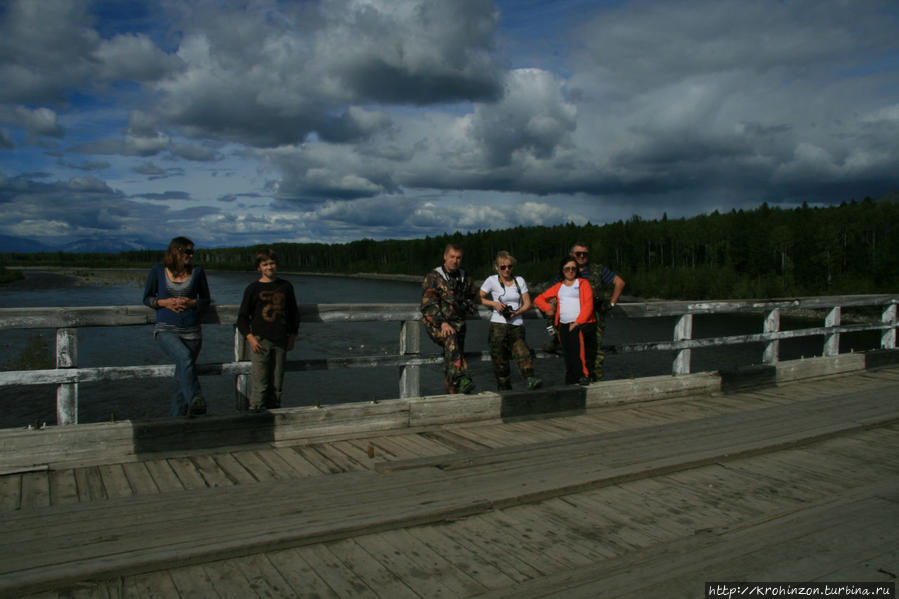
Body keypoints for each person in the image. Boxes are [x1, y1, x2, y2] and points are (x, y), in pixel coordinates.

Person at [143, 236, 211, 417]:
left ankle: (178, 422)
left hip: (192, 332)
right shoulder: (158, 271)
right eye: (187, 251)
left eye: (192, 252)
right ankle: (196, 398)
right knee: (185, 358)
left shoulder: (197, 271)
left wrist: (191, 303)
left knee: (180, 380)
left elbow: (205, 300)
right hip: (166, 329)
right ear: (176, 251)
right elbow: (147, 298)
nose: (191, 255)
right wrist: (163, 302)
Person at [540, 241, 626, 380]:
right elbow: (551, 294)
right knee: (573, 352)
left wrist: (611, 303)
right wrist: (553, 302)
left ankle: (594, 384)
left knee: (594, 353)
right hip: (570, 319)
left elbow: (619, 282)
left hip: (594, 319)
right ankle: (574, 381)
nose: (581, 256)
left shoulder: (597, 270)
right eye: (578, 253)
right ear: (571, 254)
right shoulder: (566, 272)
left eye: (584, 254)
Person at [236, 248, 299, 412]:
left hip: (281, 340)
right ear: (259, 268)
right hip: (260, 342)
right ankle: (255, 417)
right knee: (260, 384)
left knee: (277, 384)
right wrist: (250, 338)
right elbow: (242, 318)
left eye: (272, 263)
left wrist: (292, 335)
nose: (269, 267)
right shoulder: (252, 289)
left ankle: (275, 416)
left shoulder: (286, 286)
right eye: (265, 264)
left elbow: (293, 313)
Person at [479, 251, 542, 391]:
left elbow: (527, 303)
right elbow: (480, 297)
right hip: (498, 325)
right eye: (503, 267)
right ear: (496, 267)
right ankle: (504, 388)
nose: (507, 270)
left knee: (522, 352)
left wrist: (517, 312)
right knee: (500, 359)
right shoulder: (491, 280)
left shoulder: (520, 281)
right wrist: (494, 304)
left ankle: (530, 378)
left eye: (509, 266)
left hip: (517, 325)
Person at [421, 243, 478, 394]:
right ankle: (463, 378)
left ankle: (452, 395)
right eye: (452, 257)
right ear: (445, 256)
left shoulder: (464, 276)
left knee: (453, 357)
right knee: (451, 340)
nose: (455, 261)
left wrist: (470, 303)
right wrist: (442, 323)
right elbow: (428, 305)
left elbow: (474, 295)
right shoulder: (433, 276)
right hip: (437, 324)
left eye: (458, 258)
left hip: (458, 324)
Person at [534, 256, 596, 386]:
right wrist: (547, 309)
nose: (571, 271)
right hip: (563, 325)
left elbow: (588, 305)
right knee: (568, 353)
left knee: (578, 352)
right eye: (567, 268)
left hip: (579, 324)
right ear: (562, 270)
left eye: (573, 268)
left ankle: (583, 376)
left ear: (577, 270)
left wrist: (578, 322)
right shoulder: (558, 287)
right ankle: (571, 379)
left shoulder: (583, 284)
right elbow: (538, 299)